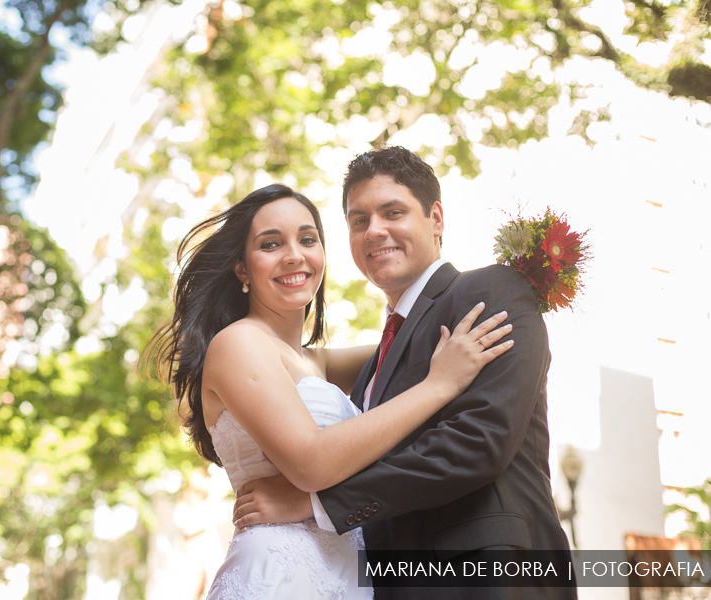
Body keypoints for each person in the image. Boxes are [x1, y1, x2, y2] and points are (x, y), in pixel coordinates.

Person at [233, 148, 576, 599]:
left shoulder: (490, 291)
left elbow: (476, 442)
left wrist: (315, 504)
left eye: (392, 212)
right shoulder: (376, 362)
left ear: (436, 218)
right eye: (359, 221)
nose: (375, 230)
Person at [146, 182, 514, 599]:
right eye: (270, 244)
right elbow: (310, 462)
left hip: (346, 574)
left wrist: (525, 280)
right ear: (242, 269)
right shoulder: (238, 343)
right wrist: (439, 385)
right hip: (279, 572)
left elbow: (411, 341)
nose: (294, 255)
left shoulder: (315, 361)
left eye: (307, 239)